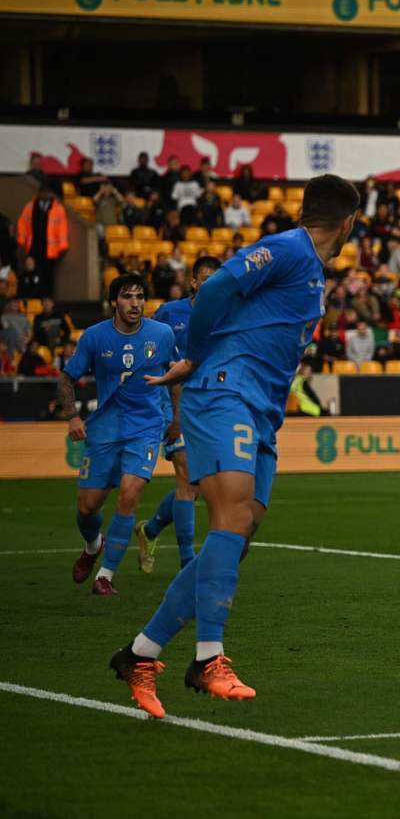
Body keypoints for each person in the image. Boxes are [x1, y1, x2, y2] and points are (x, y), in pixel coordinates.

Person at [108, 174, 361, 719]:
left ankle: (140, 653)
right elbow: (219, 286)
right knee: (231, 516)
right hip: (224, 389)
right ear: (348, 223)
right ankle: (208, 657)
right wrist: (196, 354)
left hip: (261, 411)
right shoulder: (290, 248)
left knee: (243, 529)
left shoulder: (310, 270)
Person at [54, 273, 177, 596]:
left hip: (146, 426)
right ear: (114, 302)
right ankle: (94, 545)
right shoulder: (94, 337)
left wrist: (175, 418)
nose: (135, 303)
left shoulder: (161, 334)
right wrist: (72, 416)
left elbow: (177, 375)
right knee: (87, 507)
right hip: (105, 427)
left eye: (139, 297)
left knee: (128, 493)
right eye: (127, 296)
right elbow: (66, 379)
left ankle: (105, 575)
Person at [134, 255, 222, 575]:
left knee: (196, 485)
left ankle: (150, 531)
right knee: (186, 476)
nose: (212, 283)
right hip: (172, 402)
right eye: (207, 277)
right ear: (194, 282)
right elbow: (150, 348)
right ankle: (187, 561)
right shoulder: (171, 313)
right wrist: (174, 416)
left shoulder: (224, 315)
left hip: (207, 405)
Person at [17, 189, 70, 296]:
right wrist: (22, 243)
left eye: (49, 193)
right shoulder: (30, 206)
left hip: (50, 251)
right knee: (31, 275)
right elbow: (22, 224)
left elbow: (62, 229)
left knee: (48, 278)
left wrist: (62, 247)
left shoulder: (58, 208)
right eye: (44, 192)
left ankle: (47, 302)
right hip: (33, 249)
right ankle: (32, 301)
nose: (47, 195)